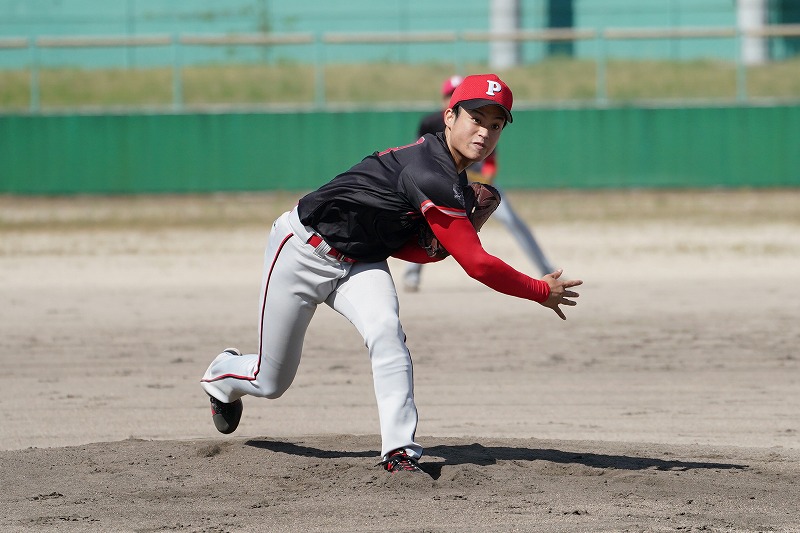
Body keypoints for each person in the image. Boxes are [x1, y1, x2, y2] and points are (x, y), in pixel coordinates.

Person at [200, 74, 582, 474]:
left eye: (496, 124)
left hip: (362, 260)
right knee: (270, 381)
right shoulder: (429, 171)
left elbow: (404, 247)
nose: (485, 132)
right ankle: (221, 376)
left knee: (386, 331)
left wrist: (436, 250)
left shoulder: (451, 175)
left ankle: (399, 451)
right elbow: (478, 265)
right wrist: (540, 290)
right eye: (476, 118)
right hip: (302, 250)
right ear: (449, 116)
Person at [403, 75, 555, 293]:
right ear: (445, 102)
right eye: (449, 94)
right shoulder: (430, 122)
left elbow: (490, 163)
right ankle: (412, 274)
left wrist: (486, 179)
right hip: (438, 179)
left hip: (476, 178)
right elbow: (418, 152)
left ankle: (546, 269)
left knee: (512, 220)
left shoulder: (484, 124)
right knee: (424, 220)